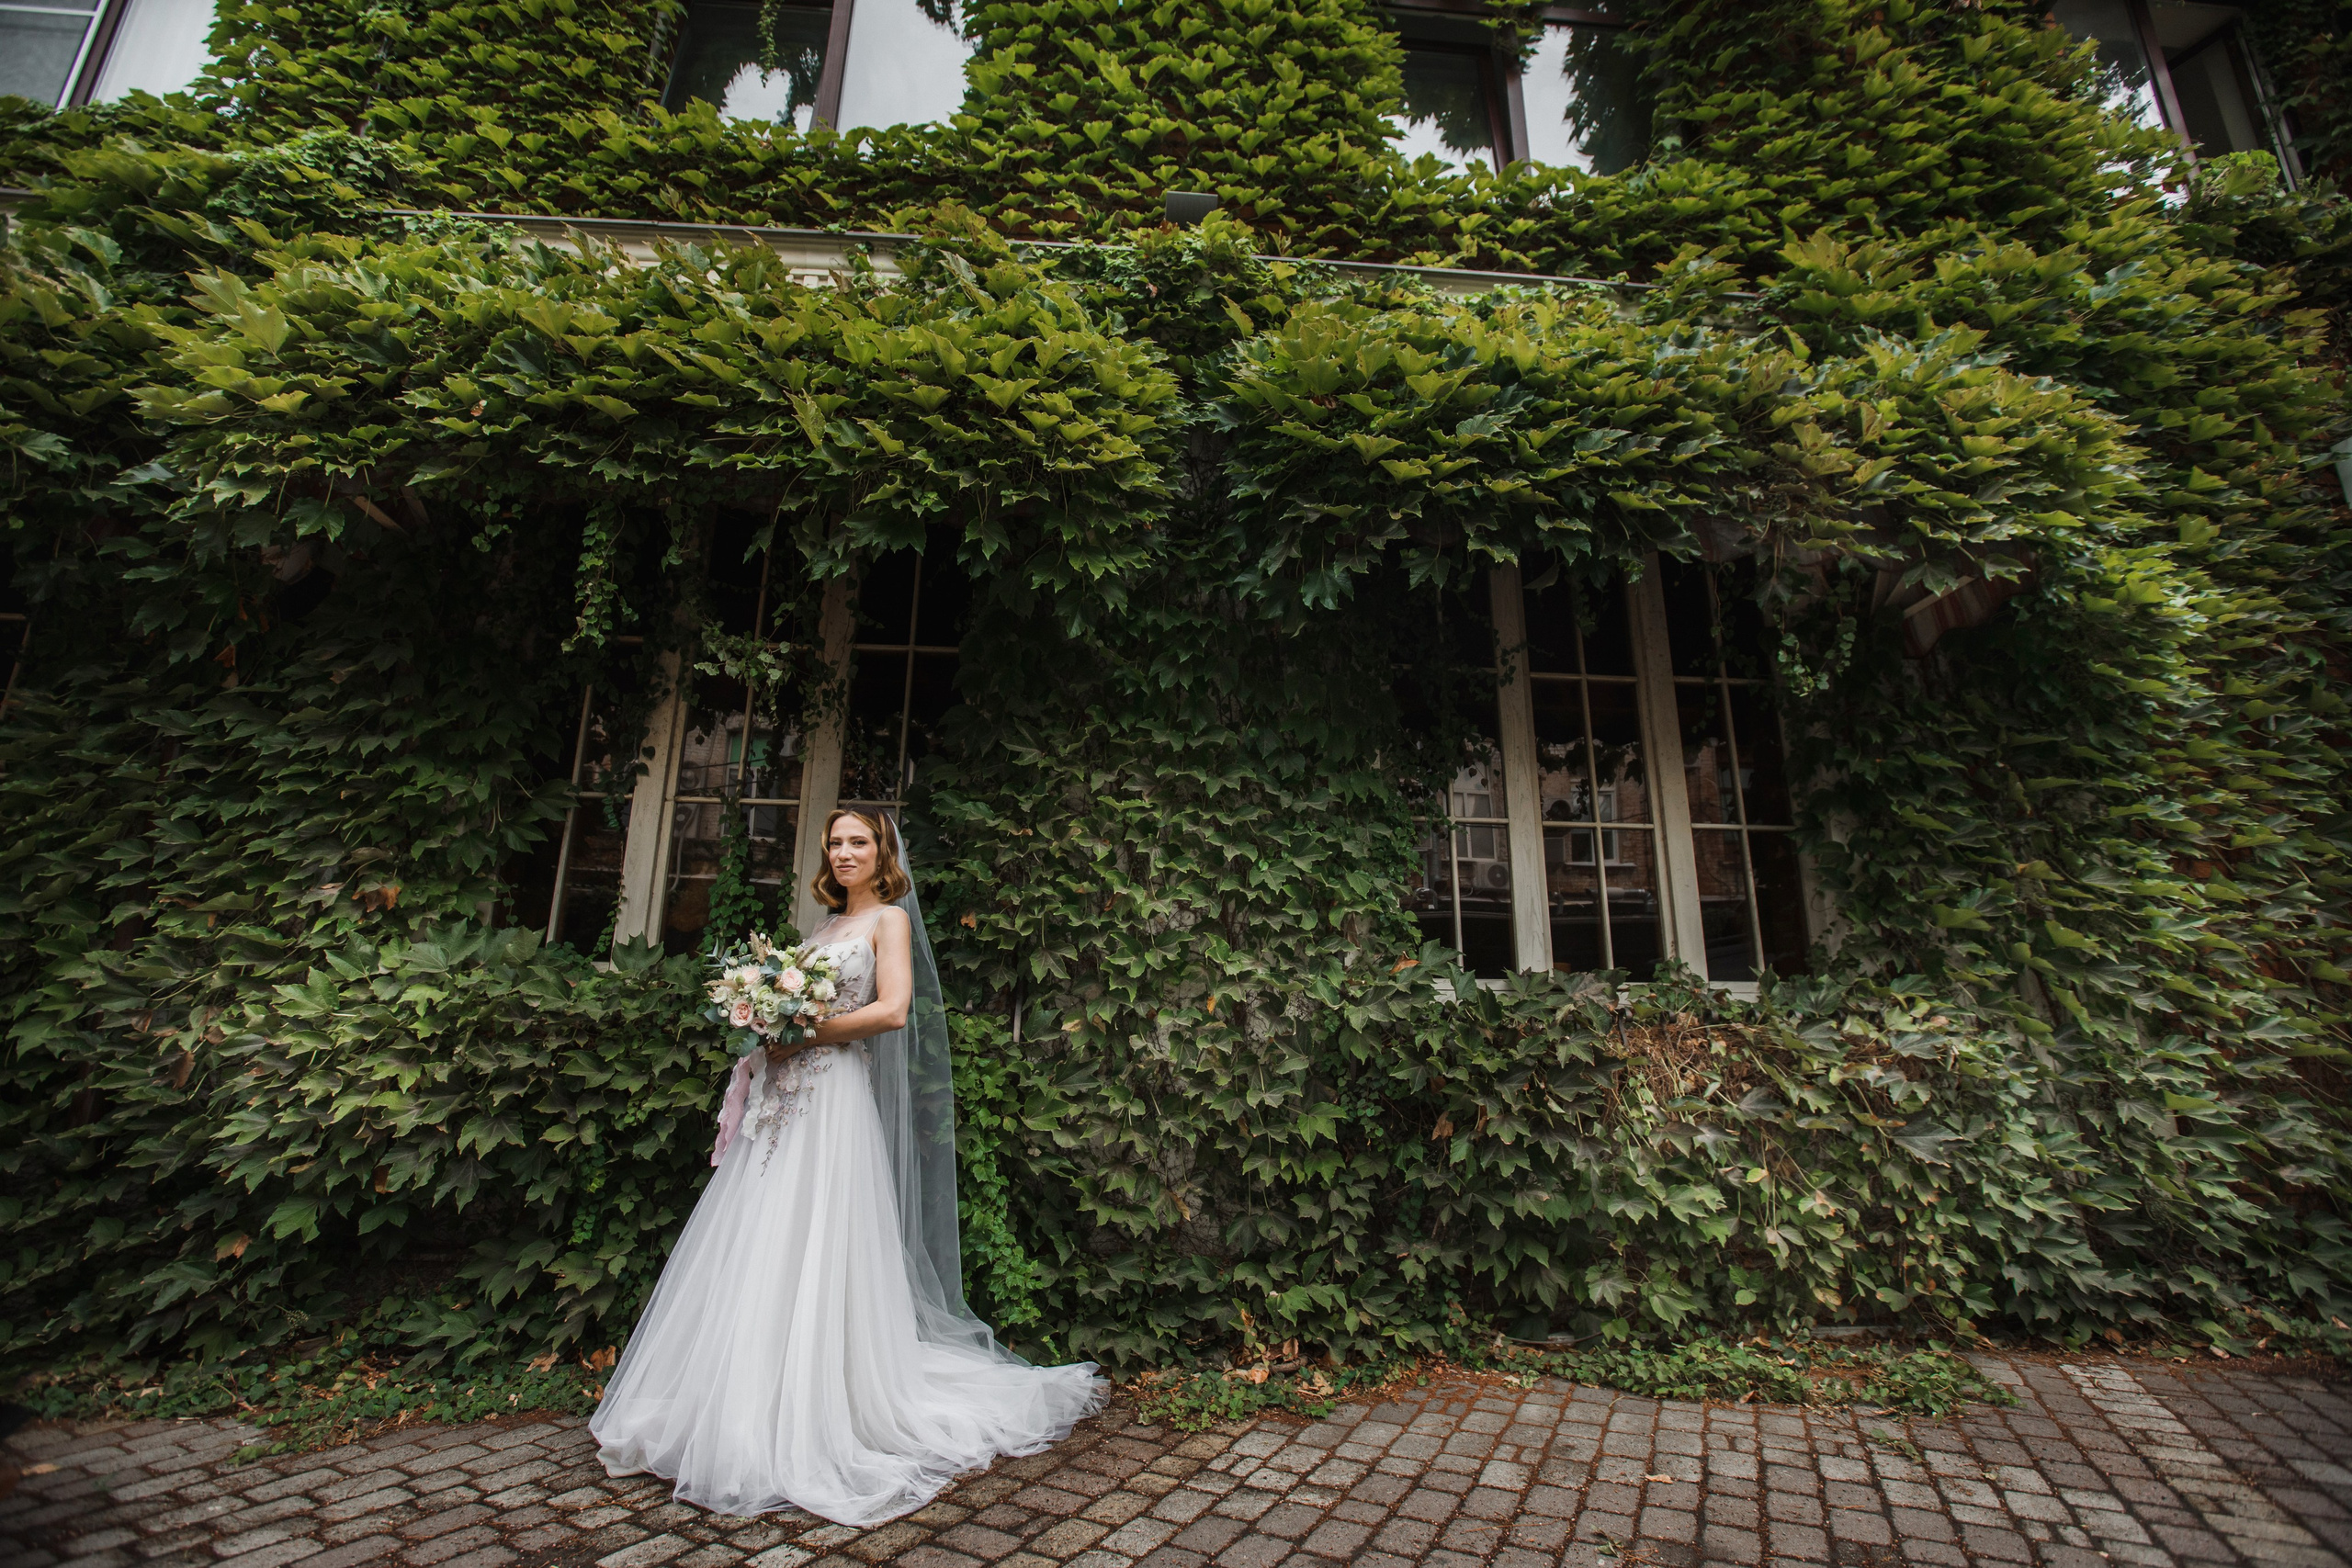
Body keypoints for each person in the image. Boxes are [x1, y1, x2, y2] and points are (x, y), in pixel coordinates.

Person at [591, 808, 1104, 1525]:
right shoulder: (825, 926)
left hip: (832, 1097)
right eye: (835, 842)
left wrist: (805, 1030)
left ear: (882, 851)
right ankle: (749, 1397)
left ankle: (825, 1401)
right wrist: (768, 1022)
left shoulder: (888, 921)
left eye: (858, 841)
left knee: (820, 1232)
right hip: (783, 1102)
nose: (844, 852)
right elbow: (793, 1007)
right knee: (766, 1231)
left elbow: (892, 1010)